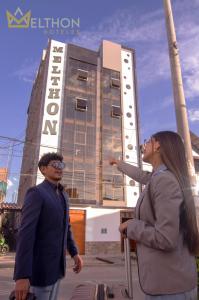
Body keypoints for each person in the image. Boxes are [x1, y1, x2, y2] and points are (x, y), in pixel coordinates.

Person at [110, 131, 199, 299]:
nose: (144, 146)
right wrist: (119, 163)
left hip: (170, 289)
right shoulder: (159, 178)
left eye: (147, 141)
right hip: (169, 285)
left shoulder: (164, 180)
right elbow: (142, 176)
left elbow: (165, 238)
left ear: (157, 145)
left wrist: (131, 225)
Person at [14, 152, 83, 300]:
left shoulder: (63, 195)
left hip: (57, 270)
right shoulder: (36, 193)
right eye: (55, 165)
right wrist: (22, 275)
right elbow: (25, 235)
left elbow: (67, 227)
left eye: (61, 165)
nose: (59, 168)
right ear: (43, 169)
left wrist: (74, 253)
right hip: (39, 273)